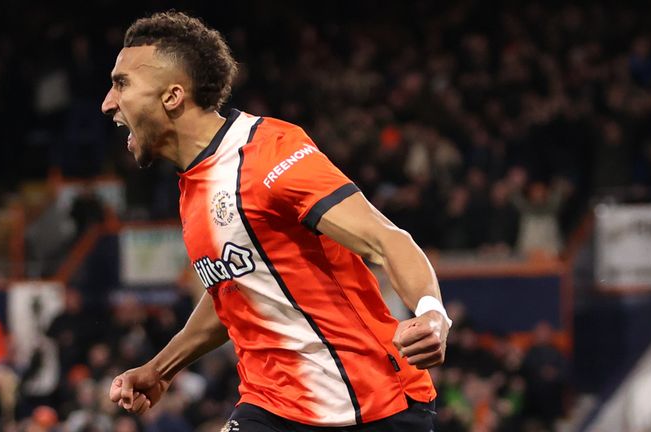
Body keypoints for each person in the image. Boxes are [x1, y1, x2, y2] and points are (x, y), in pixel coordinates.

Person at [101, 11, 451, 431]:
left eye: (122, 84)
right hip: (271, 405)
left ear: (172, 96)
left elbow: (385, 239)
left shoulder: (271, 155)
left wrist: (431, 313)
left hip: (371, 404)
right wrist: (161, 368)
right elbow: (235, 291)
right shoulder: (193, 184)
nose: (108, 102)